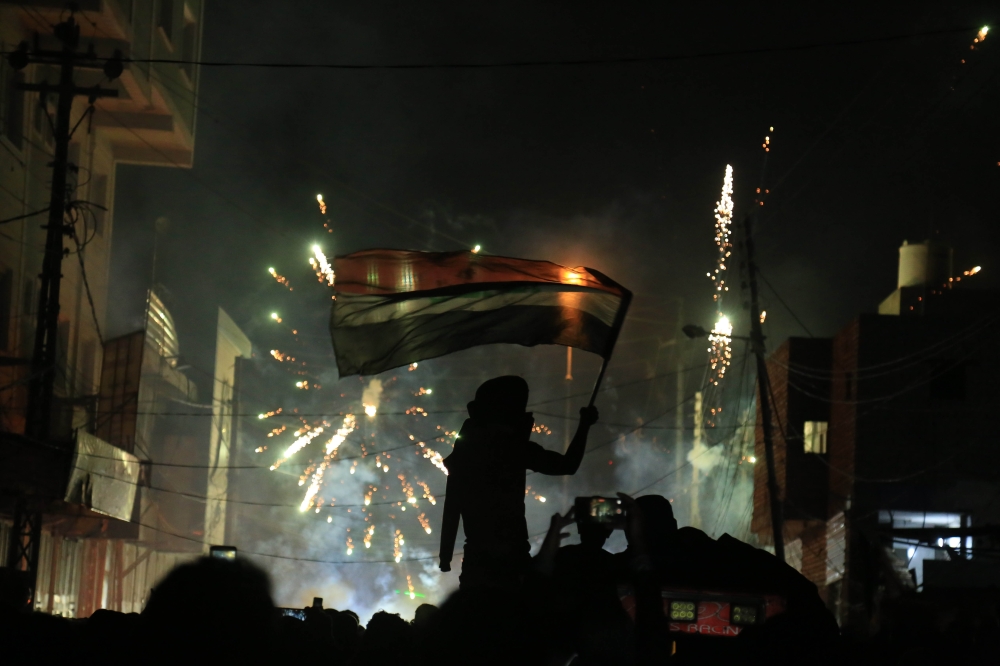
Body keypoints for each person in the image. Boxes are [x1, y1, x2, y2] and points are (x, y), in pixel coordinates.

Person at [438, 375, 598, 589]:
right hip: (510, 559)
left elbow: (451, 509)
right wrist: (584, 425)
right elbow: (567, 465)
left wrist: (446, 556)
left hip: (478, 562)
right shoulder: (510, 447)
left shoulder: (465, 452)